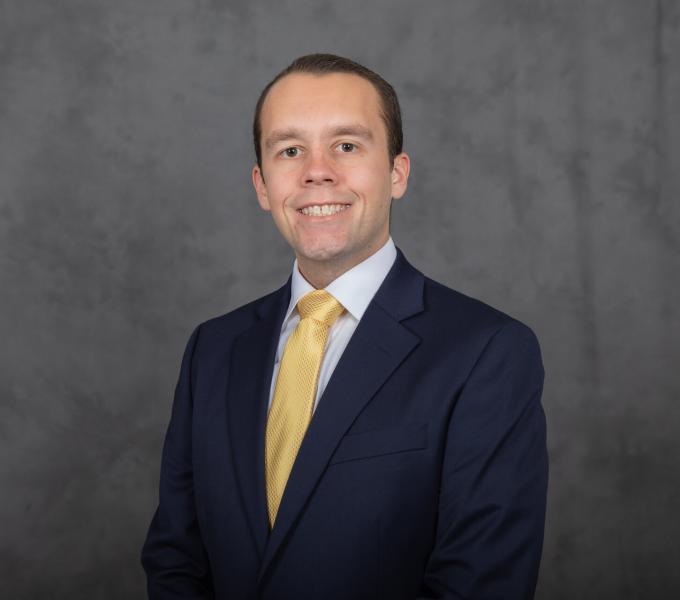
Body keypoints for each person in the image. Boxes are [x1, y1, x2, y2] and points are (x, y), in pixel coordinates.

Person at [141, 53, 548, 600]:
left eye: (347, 146)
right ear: (263, 186)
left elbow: (479, 583)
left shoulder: (487, 352)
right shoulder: (213, 350)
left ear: (397, 173)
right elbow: (176, 559)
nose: (317, 170)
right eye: (290, 150)